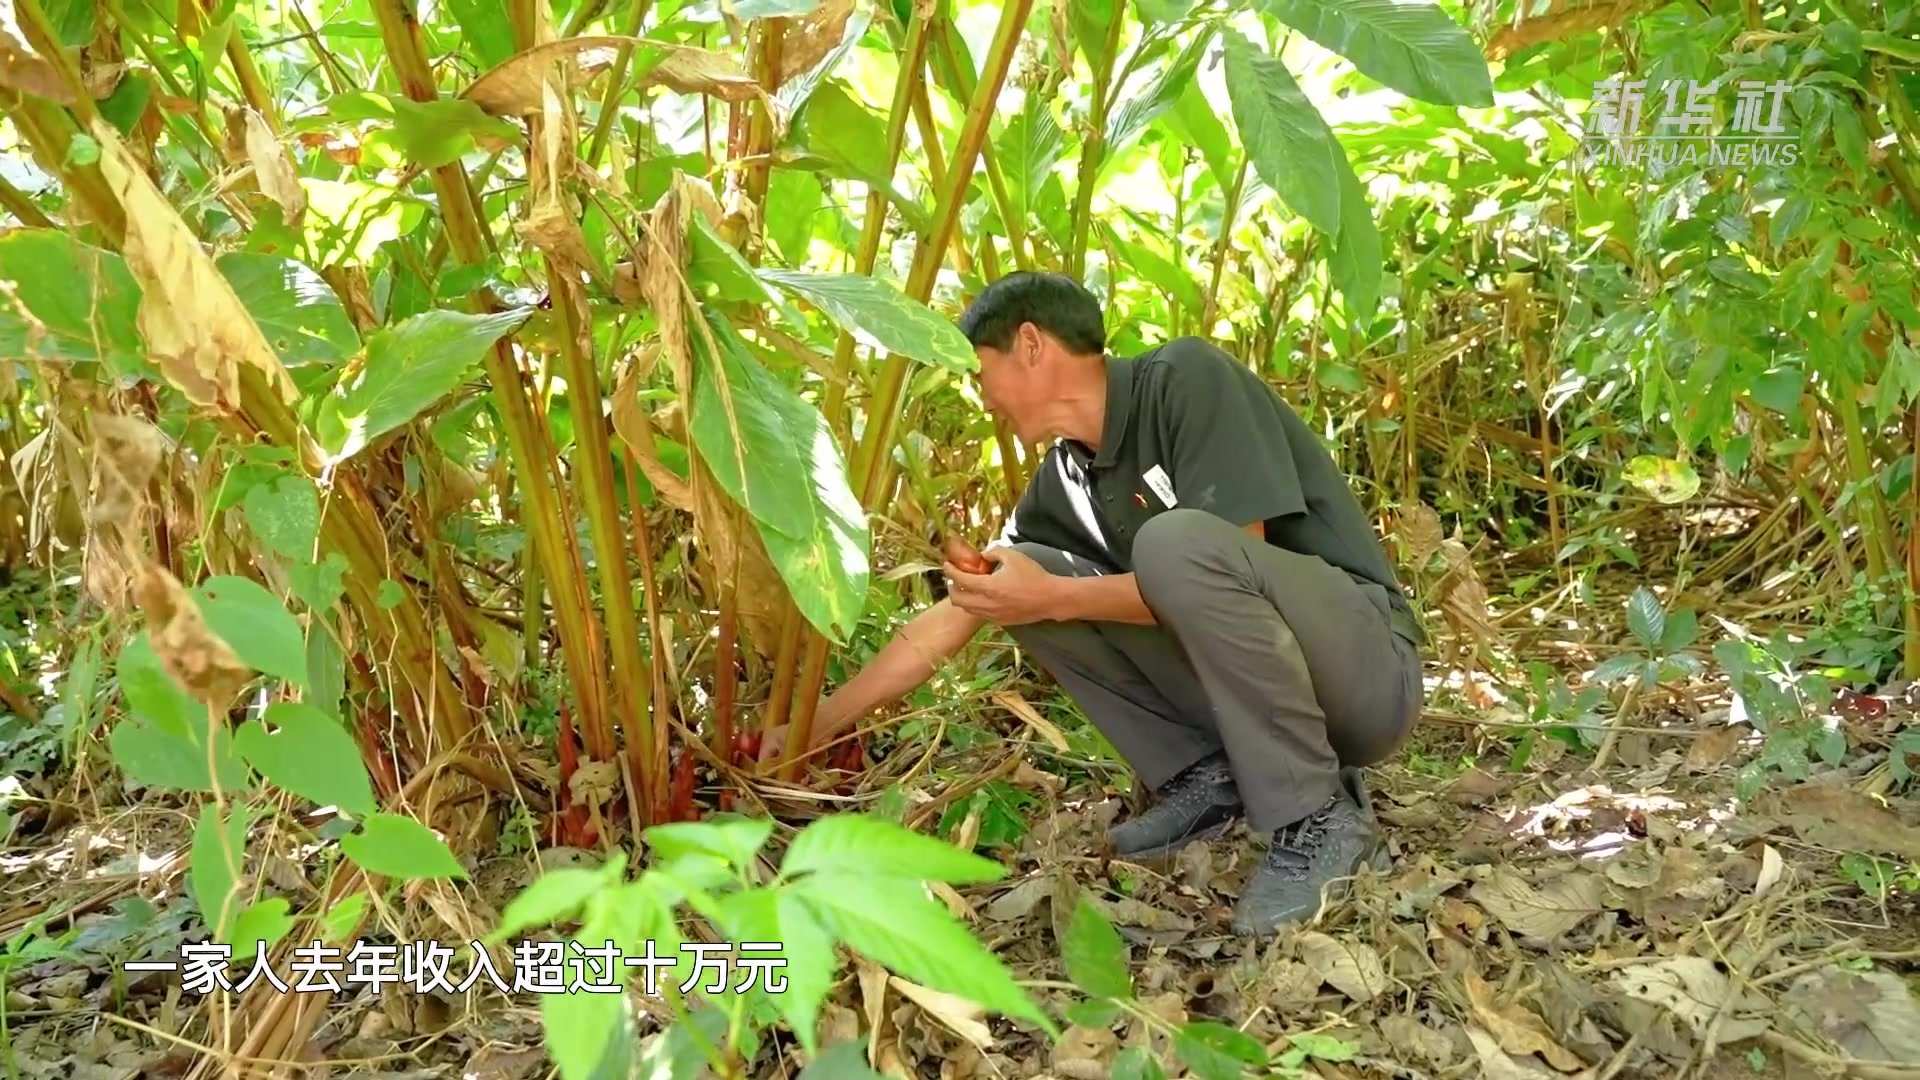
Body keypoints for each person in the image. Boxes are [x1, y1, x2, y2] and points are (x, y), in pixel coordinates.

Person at [761, 272, 1426, 935]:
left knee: (1164, 549)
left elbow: (1223, 559)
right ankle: (1212, 778)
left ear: (1030, 344)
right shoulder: (1065, 480)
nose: (981, 396)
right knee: (1017, 577)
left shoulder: (1186, 379)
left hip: (1363, 675)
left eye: (979, 370)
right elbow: (961, 613)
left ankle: (1317, 816)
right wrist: (813, 727)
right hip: (1249, 708)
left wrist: (1056, 597)